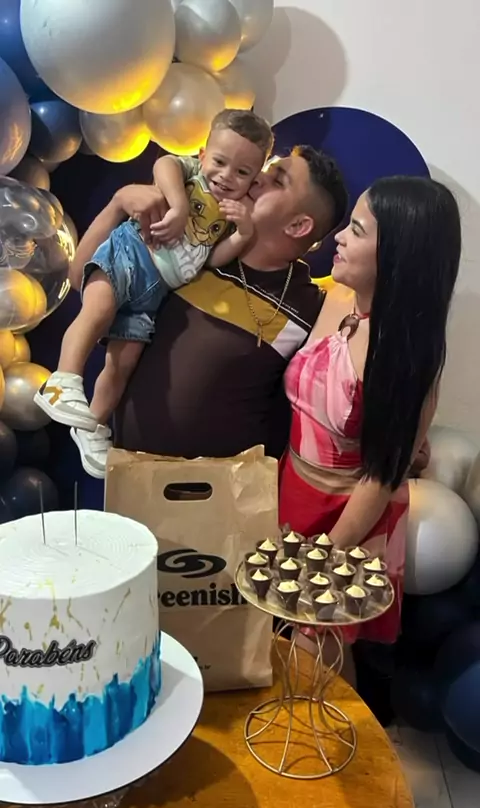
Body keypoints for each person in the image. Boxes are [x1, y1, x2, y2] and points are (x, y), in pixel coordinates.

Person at [63, 145, 348, 477]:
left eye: (277, 180)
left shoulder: (310, 307)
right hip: (128, 478)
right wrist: (117, 204)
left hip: (223, 497)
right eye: (266, 169)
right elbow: (80, 278)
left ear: (298, 225)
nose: (257, 178)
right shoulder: (193, 244)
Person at [34, 109, 274, 475]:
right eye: (220, 162)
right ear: (203, 155)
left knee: (123, 362)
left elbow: (210, 259)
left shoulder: (232, 212)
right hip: (131, 253)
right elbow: (164, 164)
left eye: (242, 172)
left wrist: (242, 234)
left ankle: (92, 425)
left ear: (254, 178)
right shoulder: (192, 175)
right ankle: (62, 380)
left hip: (156, 290)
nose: (227, 176)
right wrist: (178, 205)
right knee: (96, 312)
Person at [278, 175, 462, 644]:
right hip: (291, 491)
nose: (338, 237)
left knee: (315, 650)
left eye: (357, 230)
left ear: (398, 255)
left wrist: (326, 554)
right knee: (276, 638)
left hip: (349, 519)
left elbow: (381, 478)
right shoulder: (337, 298)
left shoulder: (407, 355)